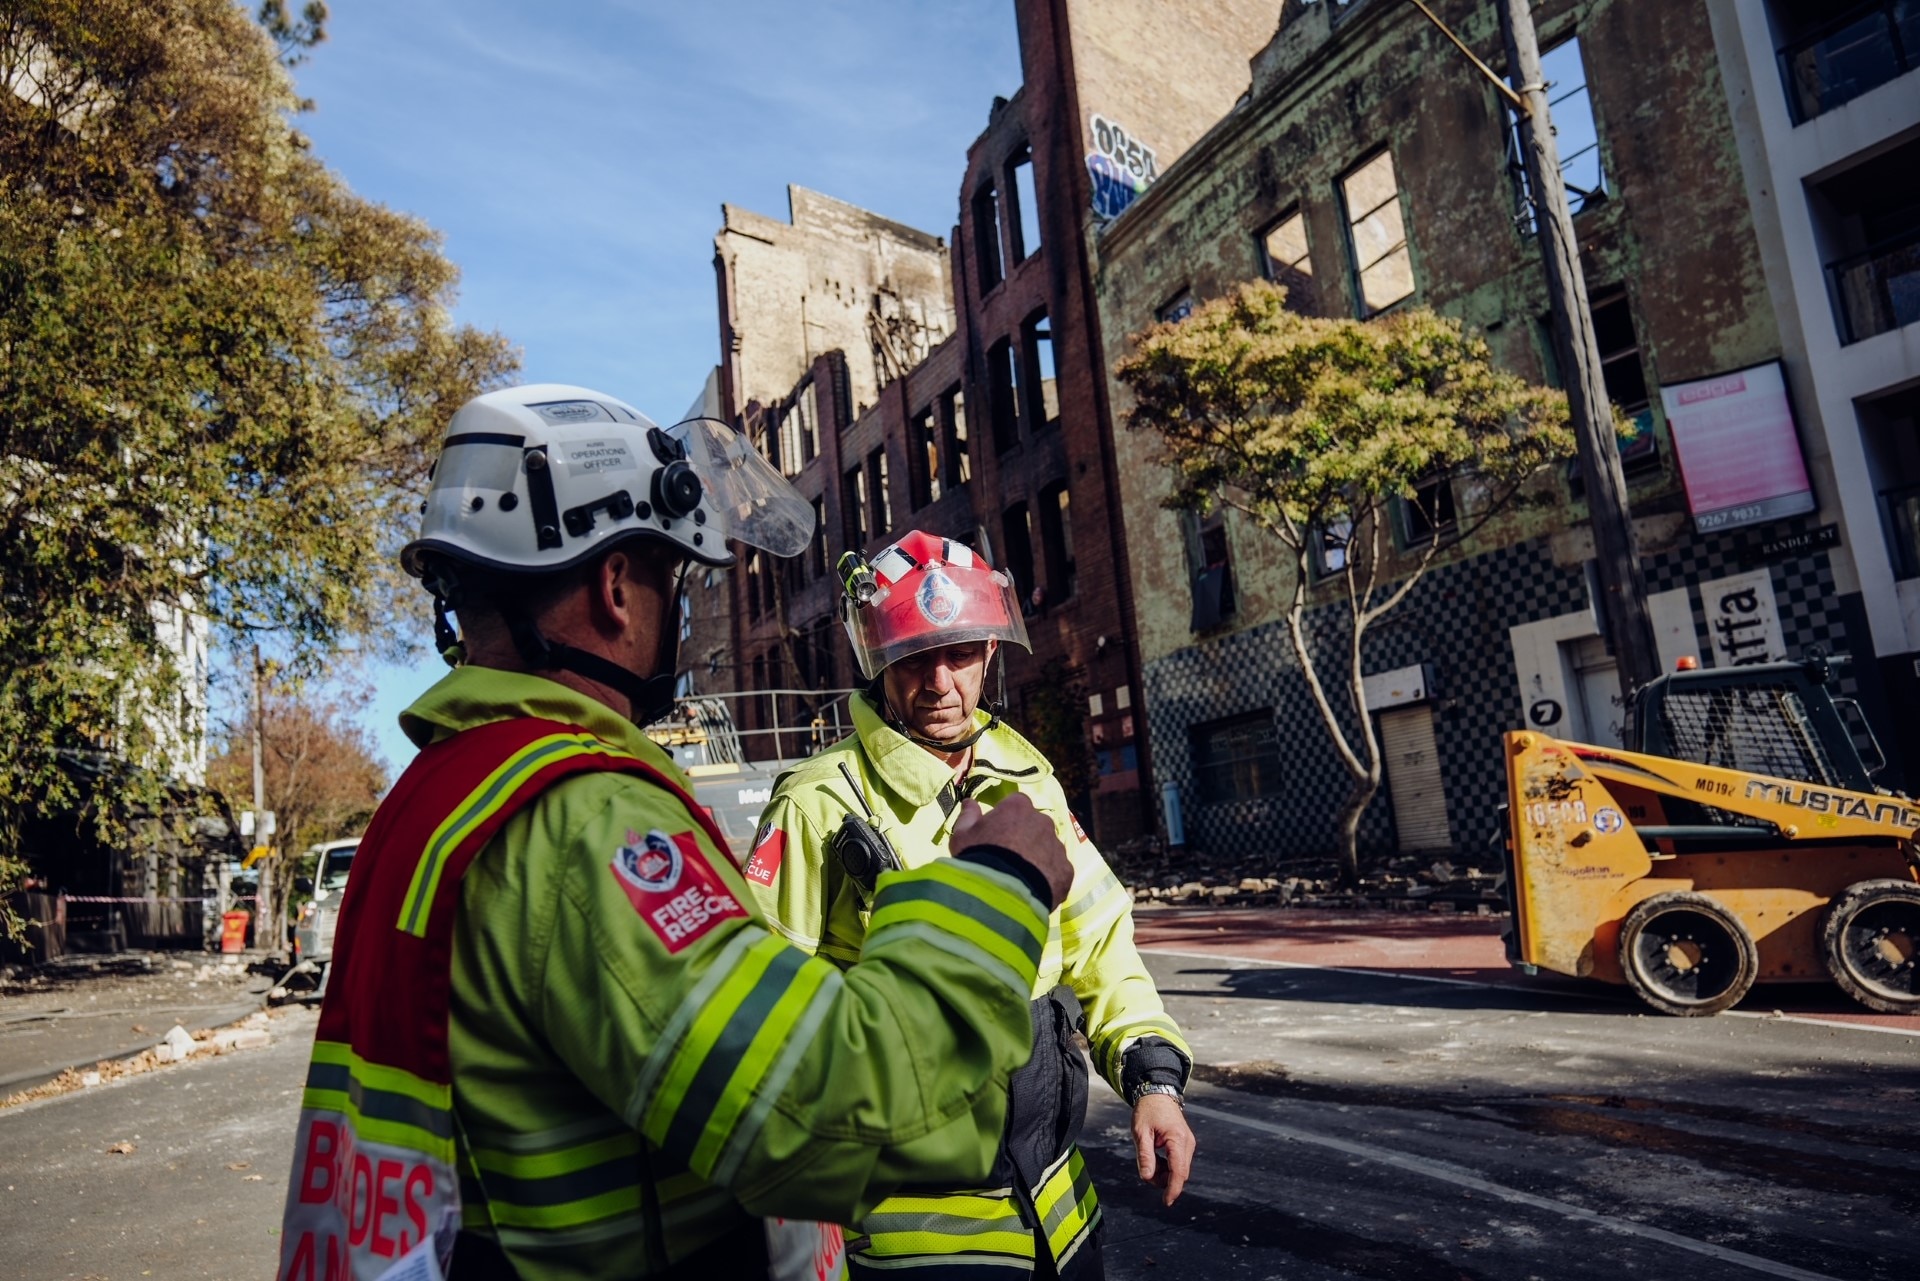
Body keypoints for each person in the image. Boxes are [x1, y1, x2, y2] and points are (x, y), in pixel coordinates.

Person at [276, 386, 1076, 1281]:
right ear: (618, 587)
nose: (681, 612)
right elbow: (828, 1106)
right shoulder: (578, 818)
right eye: (673, 580)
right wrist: (1003, 878)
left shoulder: (436, 797)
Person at [743, 530, 1196, 1280]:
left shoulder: (1029, 779)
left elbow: (1102, 947)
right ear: (880, 659)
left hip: (1059, 1215)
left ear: (990, 652)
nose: (941, 681)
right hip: (912, 1235)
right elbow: (765, 1014)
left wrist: (1153, 1083)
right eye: (916, 656)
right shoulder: (819, 803)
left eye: (961, 654)